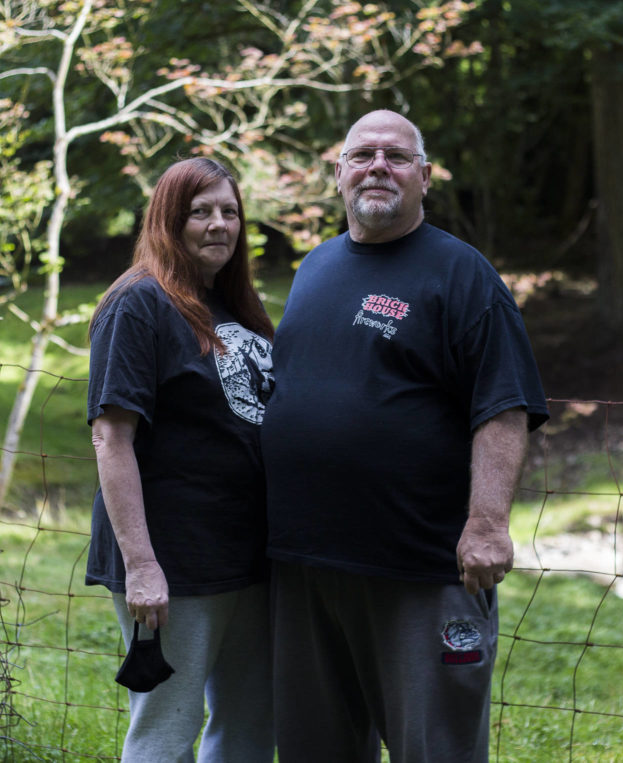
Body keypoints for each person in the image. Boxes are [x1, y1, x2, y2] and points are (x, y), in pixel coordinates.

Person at [260, 110, 550, 762]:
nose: (378, 166)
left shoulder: (462, 274)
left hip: (420, 570)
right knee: (314, 749)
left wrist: (487, 522)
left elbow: (503, 407)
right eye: (363, 154)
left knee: (436, 748)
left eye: (396, 155)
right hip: (306, 570)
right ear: (338, 175)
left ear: (424, 175)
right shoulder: (314, 269)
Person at [86, 157, 275, 762]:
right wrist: (142, 565)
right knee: (168, 727)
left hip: (248, 556)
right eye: (200, 212)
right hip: (175, 563)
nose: (219, 225)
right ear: (169, 219)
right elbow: (111, 439)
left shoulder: (233, 306)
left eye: (229, 212)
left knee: (252, 722)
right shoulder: (138, 304)